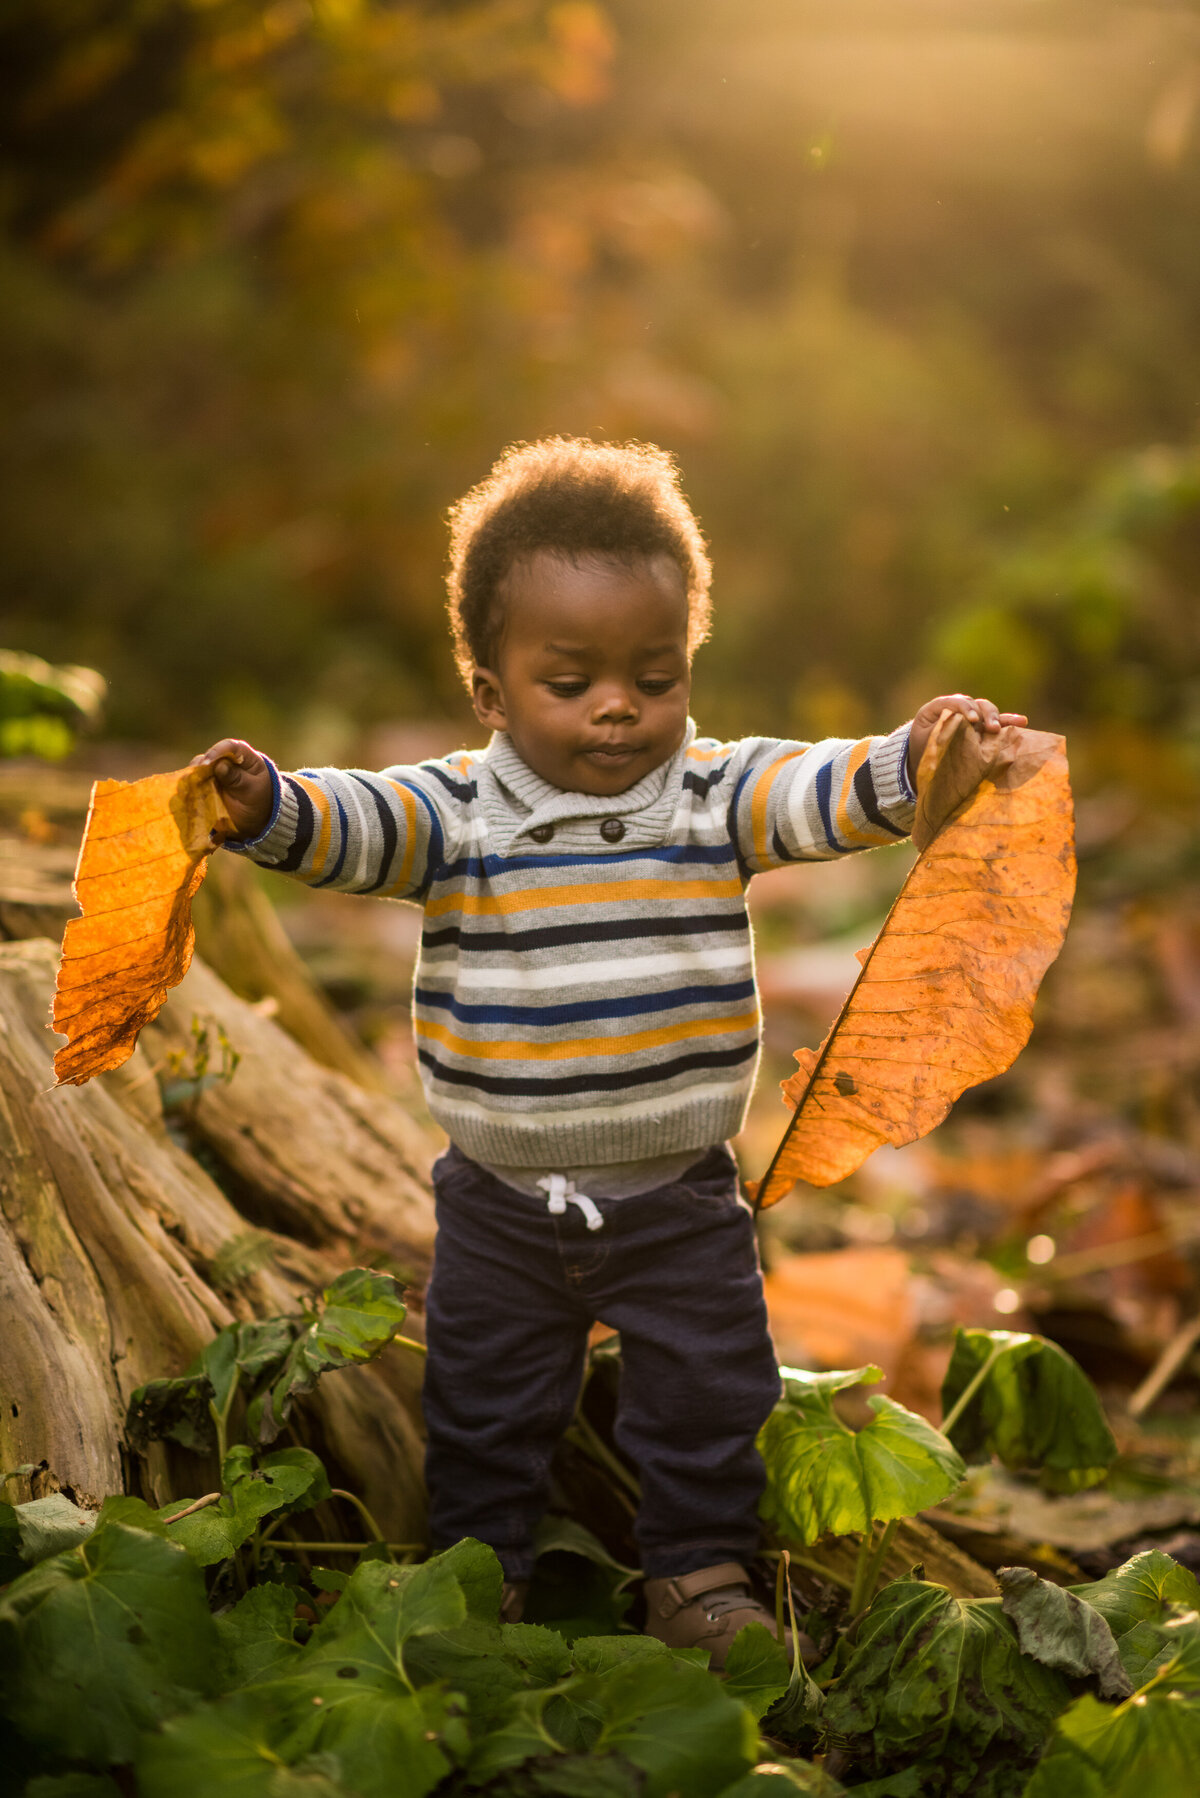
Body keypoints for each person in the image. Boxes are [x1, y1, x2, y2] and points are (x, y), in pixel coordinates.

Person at [194, 437, 1025, 1667]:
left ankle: (694, 1570)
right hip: (498, 1202)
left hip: (679, 1195)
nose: (619, 707)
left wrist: (913, 761)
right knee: (483, 1408)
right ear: (489, 691)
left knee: (708, 1394)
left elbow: (818, 791)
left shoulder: (706, 795)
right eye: (570, 680)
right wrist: (271, 806)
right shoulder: (456, 813)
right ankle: (484, 1579)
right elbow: (355, 825)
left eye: (654, 673)